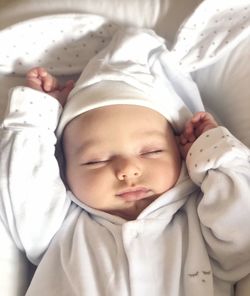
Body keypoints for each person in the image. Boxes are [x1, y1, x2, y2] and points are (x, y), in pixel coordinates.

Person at [1, 28, 250, 296]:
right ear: (64, 168)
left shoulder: (201, 218)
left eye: (151, 152)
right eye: (96, 161)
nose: (127, 170)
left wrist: (213, 151)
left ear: (181, 152)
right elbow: (22, 186)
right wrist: (36, 118)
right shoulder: (59, 227)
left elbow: (242, 233)